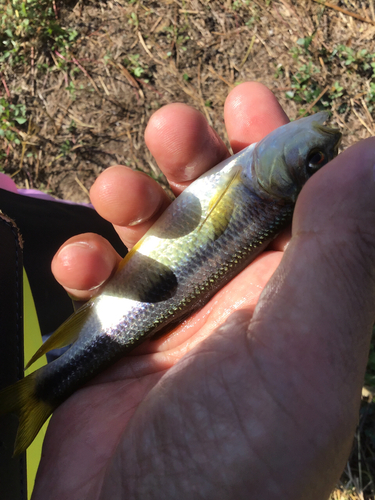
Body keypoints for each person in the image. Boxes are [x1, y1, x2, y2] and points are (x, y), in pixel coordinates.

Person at [31, 82, 375, 499]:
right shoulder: (259, 185)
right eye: (315, 159)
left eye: (313, 159)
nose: (320, 143)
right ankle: (48, 377)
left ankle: (42, 388)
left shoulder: (262, 189)